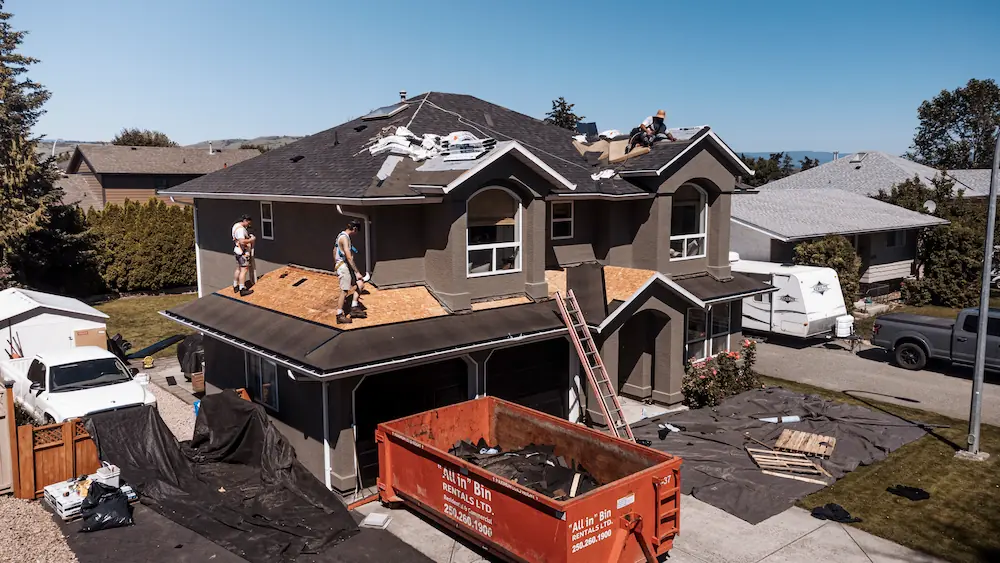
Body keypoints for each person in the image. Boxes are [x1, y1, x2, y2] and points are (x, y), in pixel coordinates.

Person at [334, 220, 366, 324]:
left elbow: (334, 251)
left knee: (360, 284)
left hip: (345, 266)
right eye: (357, 231)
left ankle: (354, 308)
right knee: (344, 291)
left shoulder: (341, 235)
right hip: (344, 267)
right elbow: (348, 256)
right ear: (355, 229)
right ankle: (339, 315)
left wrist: (336, 263)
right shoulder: (344, 238)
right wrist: (356, 272)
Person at [232, 214, 256, 297]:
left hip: (237, 250)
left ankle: (235, 285)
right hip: (242, 252)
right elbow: (242, 241)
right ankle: (242, 289)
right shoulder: (241, 230)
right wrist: (251, 240)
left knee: (238, 268)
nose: (248, 225)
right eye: (248, 223)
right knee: (244, 269)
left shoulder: (236, 225)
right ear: (245, 221)